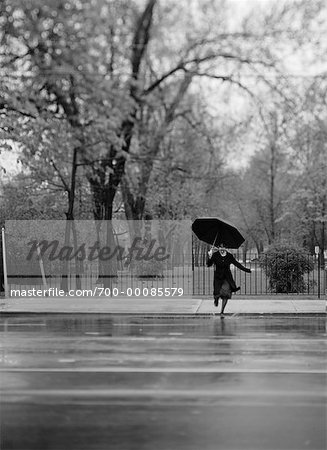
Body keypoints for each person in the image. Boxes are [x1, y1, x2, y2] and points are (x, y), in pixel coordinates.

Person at [207, 244, 251, 315]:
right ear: (218, 248)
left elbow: (237, 264)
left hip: (227, 278)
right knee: (217, 292)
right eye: (220, 247)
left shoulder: (229, 256)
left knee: (226, 294)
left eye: (223, 247)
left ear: (226, 248)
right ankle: (216, 299)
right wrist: (210, 256)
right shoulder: (215, 255)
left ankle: (222, 311)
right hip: (218, 278)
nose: (222, 249)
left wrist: (246, 270)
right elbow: (208, 264)